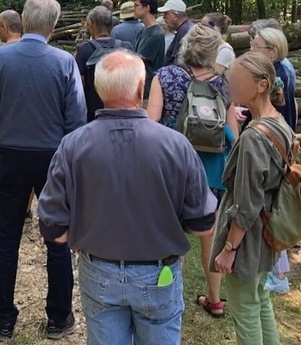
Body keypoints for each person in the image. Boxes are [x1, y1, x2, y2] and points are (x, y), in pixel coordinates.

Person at [39, 51, 218, 345]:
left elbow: (53, 227)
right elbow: (203, 225)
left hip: (99, 269)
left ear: (99, 90)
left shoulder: (72, 145)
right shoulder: (176, 145)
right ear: (140, 89)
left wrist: (84, 233)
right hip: (158, 271)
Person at [0, 0, 86, 342]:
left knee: (7, 237)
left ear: (23, 20)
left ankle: (5, 320)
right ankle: (58, 317)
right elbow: (76, 117)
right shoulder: (63, 61)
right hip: (52, 156)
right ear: (53, 27)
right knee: (57, 237)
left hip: (11, 153)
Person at [147, 24, 240, 319]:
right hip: (211, 170)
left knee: (175, 235)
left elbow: (150, 126)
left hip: (173, 165)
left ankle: (173, 299)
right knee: (208, 234)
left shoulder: (165, 76)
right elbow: (233, 134)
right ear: (214, 52)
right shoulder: (224, 84)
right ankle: (214, 299)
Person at [212, 52, 292, 345]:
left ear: (261, 85)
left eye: (237, 80)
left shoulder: (253, 137)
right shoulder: (278, 122)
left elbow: (246, 204)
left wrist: (230, 248)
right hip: (267, 231)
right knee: (259, 298)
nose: (230, 84)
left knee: (244, 307)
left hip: (248, 237)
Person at [247, 22, 297, 294]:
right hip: (276, 142)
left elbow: (277, 112)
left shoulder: (279, 74)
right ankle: (275, 269)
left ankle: (278, 272)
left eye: (257, 46)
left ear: (273, 51)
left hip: (274, 145)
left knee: (270, 208)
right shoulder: (279, 69)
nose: (251, 49)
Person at [75, 6, 134, 122]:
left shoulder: (84, 49)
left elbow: (79, 84)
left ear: (90, 24)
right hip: (123, 110)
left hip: (94, 113)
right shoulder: (126, 47)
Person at [132, 0, 165, 99]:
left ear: (147, 8)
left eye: (136, 5)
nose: (134, 9)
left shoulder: (155, 34)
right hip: (141, 84)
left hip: (148, 88)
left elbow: (138, 60)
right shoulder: (144, 30)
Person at [161, 0, 194, 66]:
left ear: (175, 16)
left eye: (166, 14)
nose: (163, 17)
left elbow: (178, 62)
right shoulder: (185, 29)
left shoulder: (184, 31)